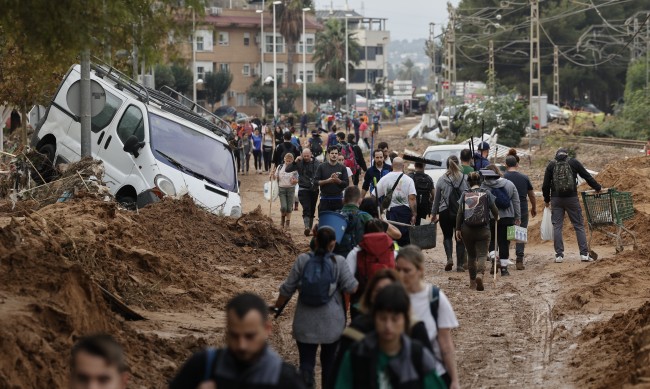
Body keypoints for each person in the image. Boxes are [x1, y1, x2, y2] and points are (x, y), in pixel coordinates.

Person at [274, 226, 358, 389]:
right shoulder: (338, 262)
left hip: (305, 321)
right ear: (333, 243)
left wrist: (277, 307)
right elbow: (352, 288)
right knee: (329, 364)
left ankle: (306, 383)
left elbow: (287, 289)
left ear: (315, 241)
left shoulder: (302, 260)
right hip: (332, 323)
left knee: (306, 363)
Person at [170, 293, 304, 389]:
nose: (242, 345)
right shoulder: (201, 366)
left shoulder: (286, 380)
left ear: (267, 329)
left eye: (249, 336)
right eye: (235, 335)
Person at [334, 283, 445, 389]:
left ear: (405, 320)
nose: (388, 326)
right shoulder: (356, 355)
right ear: (373, 318)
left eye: (395, 319)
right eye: (383, 318)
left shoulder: (418, 357)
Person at [395, 246, 460, 389]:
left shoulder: (434, 298)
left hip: (432, 374)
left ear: (420, 270)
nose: (401, 275)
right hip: (398, 376)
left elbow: (445, 342)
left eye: (407, 270)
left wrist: (454, 380)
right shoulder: (391, 297)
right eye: (398, 270)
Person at [542, 148, 602, 263]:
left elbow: (545, 185)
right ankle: (584, 255)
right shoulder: (573, 162)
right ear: (566, 155)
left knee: (557, 226)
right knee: (578, 225)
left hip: (556, 199)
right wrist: (597, 187)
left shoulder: (551, 165)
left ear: (556, 155)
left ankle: (559, 255)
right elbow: (586, 176)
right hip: (572, 199)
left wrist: (546, 199)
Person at [455, 172, 499, 291]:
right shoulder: (486, 193)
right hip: (483, 229)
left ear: (468, 182)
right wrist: (496, 217)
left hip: (467, 229)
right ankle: (480, 275)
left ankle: (472, 282)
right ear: (480, 181)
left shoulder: (465, 194)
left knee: (471, 255)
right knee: (482, 254)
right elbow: (494, 210)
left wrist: (458, 228)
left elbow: (459, 213)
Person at [481, 165, 521, 276]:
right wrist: (517, 217)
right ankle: (504, 269)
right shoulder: (509, 184)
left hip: (490, 217)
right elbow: (516, 202)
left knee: (491, 240)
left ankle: (494, 258)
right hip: (507, 218)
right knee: (504, 242)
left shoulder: (483, 186)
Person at [431, 155, 469, 272]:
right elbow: (468, 197)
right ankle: (460, 265)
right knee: (460, 238)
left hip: (444, 212)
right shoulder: (464, 178)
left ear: (447, 165)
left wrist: (433, 214)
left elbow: (436, 199)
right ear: (458, 164)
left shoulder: (442, 179)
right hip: (460, 212)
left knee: (447, 236)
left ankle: (449, 258)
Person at [503, 149, 537, 270]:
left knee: (505, 233)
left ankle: (504, 258)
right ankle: (519, 260)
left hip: (506, 209)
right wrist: (533, 207)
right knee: (520, 232)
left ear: (506, 165)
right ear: (517, 164)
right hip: (522, 207)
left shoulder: (502, 178)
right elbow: (531, 195)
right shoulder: (524, 177)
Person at [376, 157, 417, 247]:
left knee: (392, 236)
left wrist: (380, 211)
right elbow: (412, 198)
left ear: (392, 166)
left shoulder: (385, 178)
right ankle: (404, 256)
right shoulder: (409, 180)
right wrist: (414, 214)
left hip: (391, 213)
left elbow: (374, 195)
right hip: (404, 213)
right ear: (403, 166)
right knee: (405, 238)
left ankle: (394, 255)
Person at [287, 149, 321, 236]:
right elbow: (288, 169)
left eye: (307, 156)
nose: (306, 158)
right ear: (302, 155)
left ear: (311, 154)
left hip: (314, 189)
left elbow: (320, 174)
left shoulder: (317, 163)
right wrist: (295, 161)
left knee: (312, 208)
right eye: (304, 156)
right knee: (306, 208)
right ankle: (306, 227)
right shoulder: (299, 162)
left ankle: (309, 228)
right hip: (303, 189)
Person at [335, 186, 373, 258]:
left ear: (343, 200)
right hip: (359, 258)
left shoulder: (335, 216)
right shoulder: (366, 217)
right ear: (360, 201)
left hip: (338, 259)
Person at [315, 146, 349, 212]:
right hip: (325, 199)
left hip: (338, 199)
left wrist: (338, 181)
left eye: (336, 153)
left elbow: (346, 183)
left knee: (337, 221)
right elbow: (315, 182)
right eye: (332, 153)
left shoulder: (342, 168)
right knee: (325, 221)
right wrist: (327, 181)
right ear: (328, 154)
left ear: (338, 154)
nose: (334, 155)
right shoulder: (321, 166)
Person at [272, 153, 299, 230]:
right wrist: (272, 174)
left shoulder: (294, 168)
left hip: (291, 189)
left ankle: (287, 223)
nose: (288, 163)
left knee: (289, 208)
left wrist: (295, 181)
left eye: (290, 161)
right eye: (287, 161)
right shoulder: (280, 167)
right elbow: (275, 177)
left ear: (292, 161)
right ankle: (282, 221)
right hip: (282, 189)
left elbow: (297, 180)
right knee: (284, 207)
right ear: (284, 159)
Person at [409, 161, 435, 225]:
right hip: (424, 207)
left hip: (411, 206)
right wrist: (430, 201)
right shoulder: (428, 178)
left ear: (414, 165)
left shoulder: (410, 177)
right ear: (424, 165)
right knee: (420, 224)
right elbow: (433, 194)